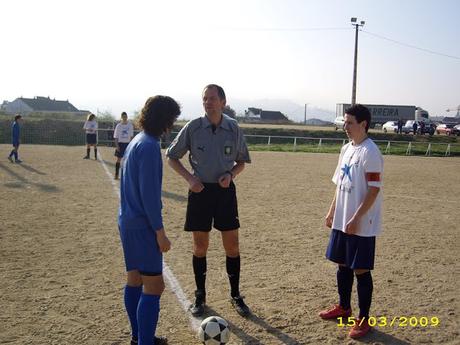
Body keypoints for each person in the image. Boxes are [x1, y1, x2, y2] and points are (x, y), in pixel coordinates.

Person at [166, 84, 252, 317]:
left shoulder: (233, 128)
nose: (208, 102)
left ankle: (235, 295)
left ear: (223, 102)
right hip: (200, 192)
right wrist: (190, 179)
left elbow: (242, 161)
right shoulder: (193, 127)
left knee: (232, 246)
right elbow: (172, 157)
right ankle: (200, 296)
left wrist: (231, 174)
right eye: (205, 99)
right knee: (200, 247)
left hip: (225, 193)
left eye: (212, 98)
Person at [119, 95, 180, 345]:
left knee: (134, 280)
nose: (172, 124)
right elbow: (150, 196)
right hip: (143, 226)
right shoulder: (150, 145)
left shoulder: (136, 140)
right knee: (154, 287)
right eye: (172, 119)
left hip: (127, 222)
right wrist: (159, 232)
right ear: (164, 119)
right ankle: (145, 342)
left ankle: (138, 338)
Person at [319, 104, 383, 339]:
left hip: (361, 224)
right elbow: (339, 184)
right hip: (342, 220)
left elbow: (374, 190)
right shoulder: (346, 148)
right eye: (344, 122)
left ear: (363, 124)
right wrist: (331, 211)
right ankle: (344, 308)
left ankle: (364, 320)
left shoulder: (371, 152)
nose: (345, 126)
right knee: (342, 265)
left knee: (361, 270)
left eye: (349, 123)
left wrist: (357, 218)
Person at [113, 111, 134, 179]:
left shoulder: (130, 125)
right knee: (119, 159)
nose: (125, 118)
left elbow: (131, 137)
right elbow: (116, 137)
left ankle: (126, 175)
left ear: (127, 117)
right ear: (121, 117)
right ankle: (116, 174)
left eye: (126, 117)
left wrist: (131, 145)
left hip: (127, 144)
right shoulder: (119, 126)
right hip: (120, 144)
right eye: (123, 117)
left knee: (127, 160)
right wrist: (117, 146)